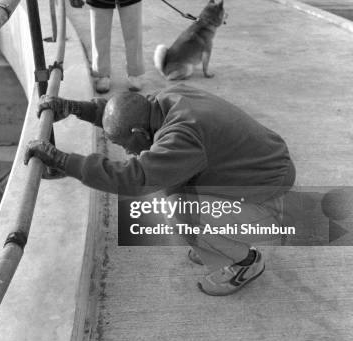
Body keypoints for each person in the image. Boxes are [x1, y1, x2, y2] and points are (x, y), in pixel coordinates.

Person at [24, 84, 296, 296]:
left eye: (125, 143)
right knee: (173, 185)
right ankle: (216, 245)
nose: (127, 151)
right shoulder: (165, 101)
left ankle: (245, 262)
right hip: (253, 168)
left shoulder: (182, 136)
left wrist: (62, 161)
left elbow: (133, 178)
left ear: (140, 132)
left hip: (268, 187)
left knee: (182, 211)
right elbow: (124, 109)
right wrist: (74, 108)